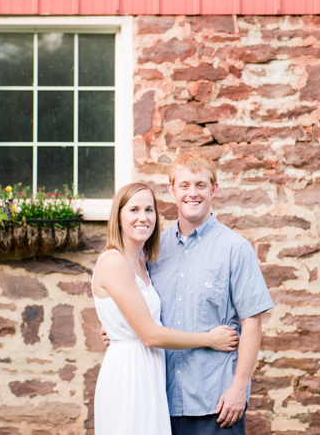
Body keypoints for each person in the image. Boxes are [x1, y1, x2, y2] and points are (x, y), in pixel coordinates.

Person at [92, 182, 240, 435]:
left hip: (150, 373)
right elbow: (150, 335)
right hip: (130, 374)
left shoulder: (142, 262)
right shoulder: (114, 261)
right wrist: (209, 339)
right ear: (118, 217)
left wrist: (115, 327)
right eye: (134, 210)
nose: (143, 217)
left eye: (149, 210)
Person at [151, 152, 274, 434]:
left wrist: (239, 388)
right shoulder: (155, 250)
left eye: (200, 185)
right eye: (184, 185)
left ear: (213, 189)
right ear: (171, 190)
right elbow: (138, 306)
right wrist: (116, 330)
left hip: (215, 403)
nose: (192, 193)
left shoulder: (235, 248)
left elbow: (252, 323)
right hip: (160, 400)